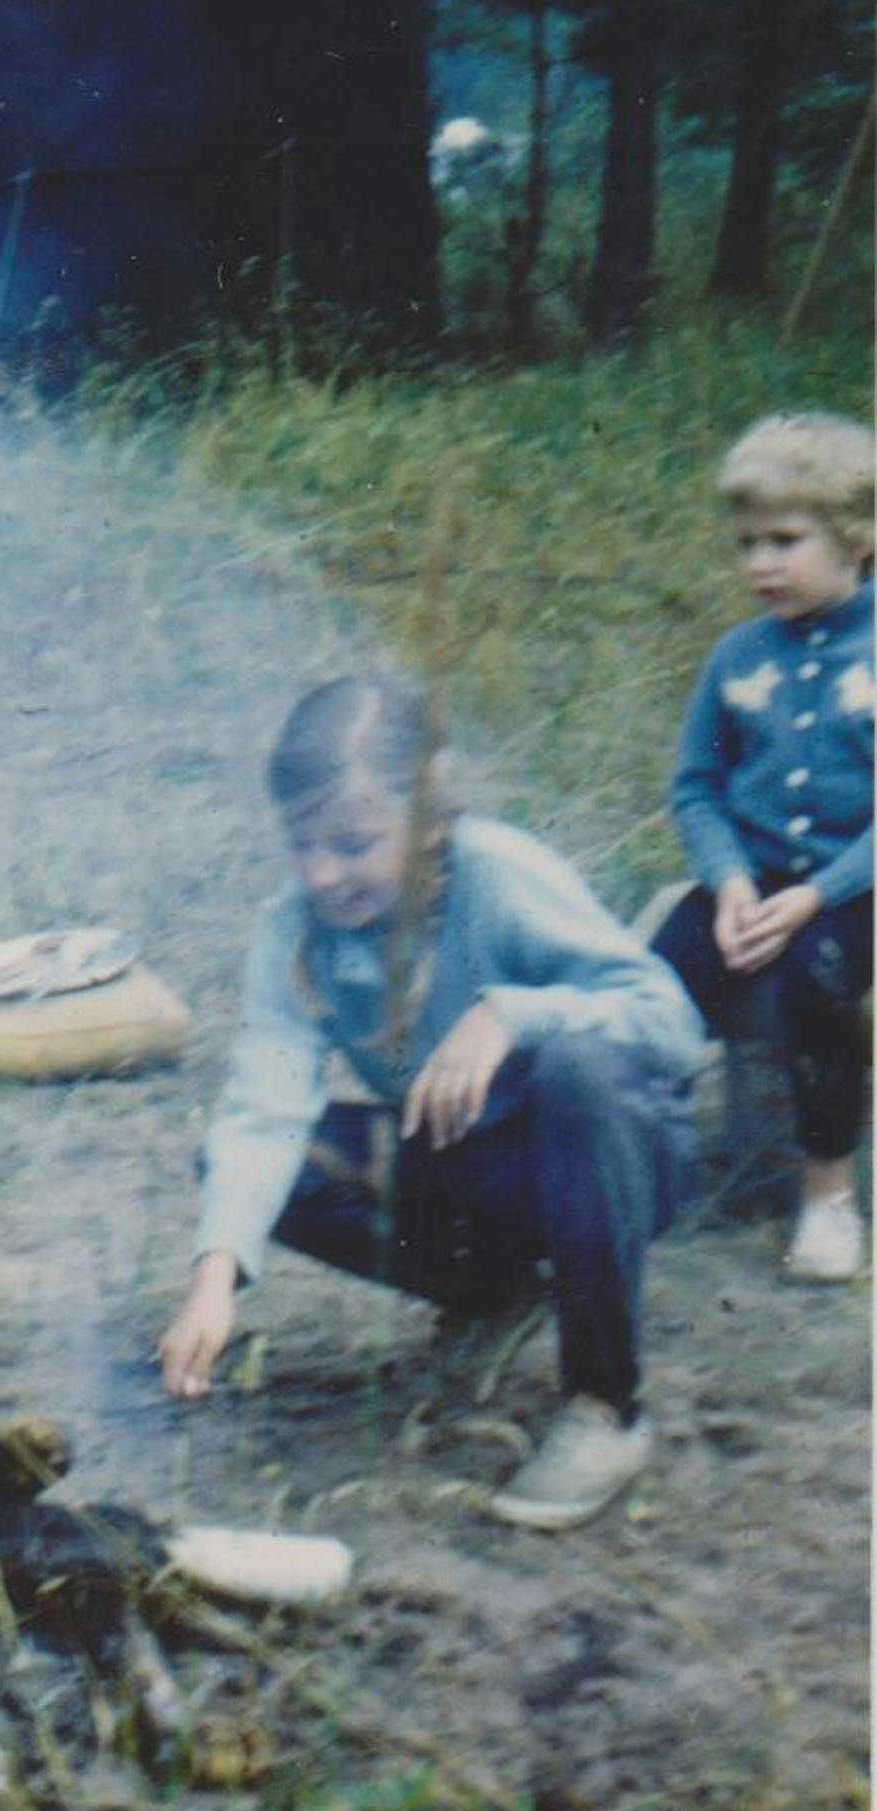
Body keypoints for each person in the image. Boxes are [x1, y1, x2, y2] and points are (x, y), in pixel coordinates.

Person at [157, 677, 704, 1531]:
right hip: (473, 1159)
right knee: (270, 1166)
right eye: (301, 844)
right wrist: (215, 1276)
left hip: (610, 1153)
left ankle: (607, 1406)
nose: (322, 873)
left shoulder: (497, 874)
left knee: (576, 1069)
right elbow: (265, 1108)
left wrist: (513, 1012)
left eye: (353, 843)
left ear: (432, 822)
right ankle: (496, 1292)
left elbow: (670, 1020)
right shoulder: (294, 929)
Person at [648, 411, 873, 1283]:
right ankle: (637, 1162)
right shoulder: (737, 655)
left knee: (818, 982)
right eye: (746, 542)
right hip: (755, 880)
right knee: (656, 972)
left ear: (858, 537)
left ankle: (827, 1192)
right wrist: (730, 880)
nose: (759, 565)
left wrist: (820, 894)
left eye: (784, 540)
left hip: (856, 890)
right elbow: (696, 787)